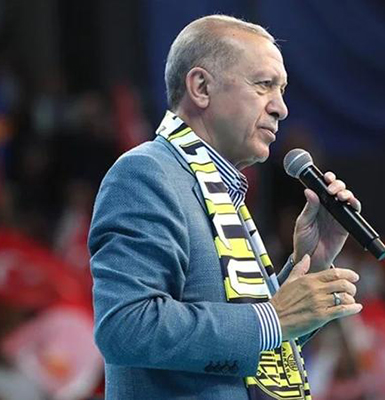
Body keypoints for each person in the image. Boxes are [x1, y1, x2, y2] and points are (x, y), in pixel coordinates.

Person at [89, 15, 363, 399]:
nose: (281, 108)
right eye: (264, 85)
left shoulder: (219, 190)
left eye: (282, 90)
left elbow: (252, 353)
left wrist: (310, 263)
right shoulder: (147, 173)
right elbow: (127, 327)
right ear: (201, 87)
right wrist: (273, 318)